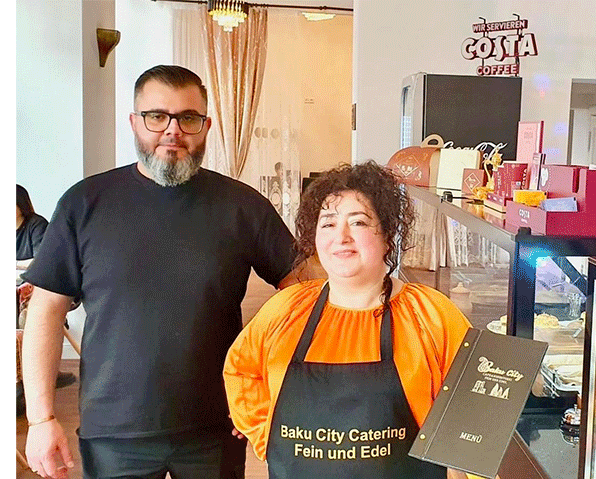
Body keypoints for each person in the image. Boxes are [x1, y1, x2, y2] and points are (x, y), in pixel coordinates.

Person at [21, 65, 297, 479]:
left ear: (206, 127)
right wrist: (40, 419)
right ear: (135, 122)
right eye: (157, 116)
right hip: (113, 430)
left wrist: (267, 384)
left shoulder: (242, 206)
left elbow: (302, 295)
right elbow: (45, 311)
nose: (173, 131)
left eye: (188, 118)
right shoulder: (84, 203)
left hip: (217, 425)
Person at [224, 161, 472, 479]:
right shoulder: (286, 310)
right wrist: (268, 437)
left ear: (387, 236)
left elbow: (470, 410)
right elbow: (241, 370)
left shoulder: (431, 315)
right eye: (328, 223)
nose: (341, 237)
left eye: (358, 222)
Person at [16, 185, 76, 417]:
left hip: (38, 289)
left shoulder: (37, 225)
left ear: (21, 204)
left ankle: (30, 380)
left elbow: (44, 262)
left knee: (29, 316)